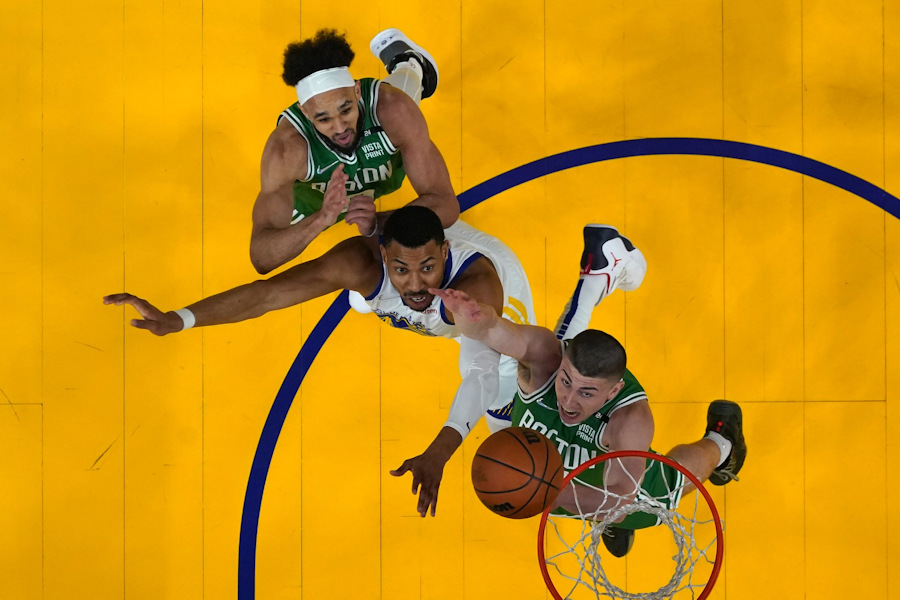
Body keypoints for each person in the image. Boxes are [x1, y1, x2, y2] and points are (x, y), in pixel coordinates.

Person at [105, 206, 534, 517]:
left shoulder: (477, 290)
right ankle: (372, 294)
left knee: (506, 395)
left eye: (427, 268)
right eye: (402, 270)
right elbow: (267, 295)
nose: (417, 284)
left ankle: (595, 276)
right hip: (411, 266)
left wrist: (439, 452)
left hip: (484, 300)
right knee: (364, 290)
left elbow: (479, 373)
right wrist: (178, 319)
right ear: (385, 257)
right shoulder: (361, 262)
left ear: (443, 253)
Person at [433, 225, 747, 557]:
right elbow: (498, 332)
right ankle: (599, 272)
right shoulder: (547, 359)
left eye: (586, 393)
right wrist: (477, 318)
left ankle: (723, 443)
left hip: (610, 487)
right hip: (557, 463)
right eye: (566, 381)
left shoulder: (630, 420)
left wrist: (545, 490)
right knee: (540, 363)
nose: (568, 400)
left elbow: (620, 501)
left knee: (666, 488)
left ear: (612, 393)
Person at [250, 28, 459, 274]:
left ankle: (411, 64)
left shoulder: (392, 110)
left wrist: (378, 223)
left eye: (346, 110)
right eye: (324, 119)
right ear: (305, 113)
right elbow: (261, 257)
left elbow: (446, 205)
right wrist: (322, 218)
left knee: (402, 103)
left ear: (357, 92)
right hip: (315, 206)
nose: (340, 128)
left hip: (385, 144)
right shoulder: (286, 150)